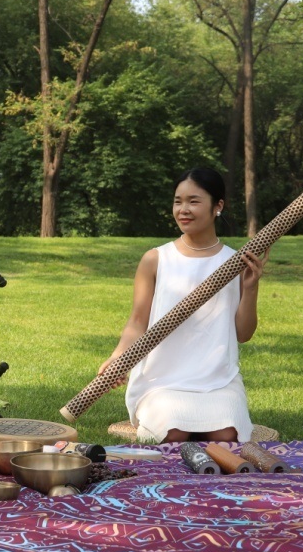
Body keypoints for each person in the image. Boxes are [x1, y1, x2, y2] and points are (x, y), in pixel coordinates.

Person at [100, 167, 267, 443]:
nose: (183, 209)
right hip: (162, 381)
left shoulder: (236, 262)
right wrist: (119, 357)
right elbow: (137, 322)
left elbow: (243, 334)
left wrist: (250, 288)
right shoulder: (155, 259)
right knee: (173, 435)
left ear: (218, 206)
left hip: (218, 381)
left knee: (225, 438)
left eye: (194, 201)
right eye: (178, 201)